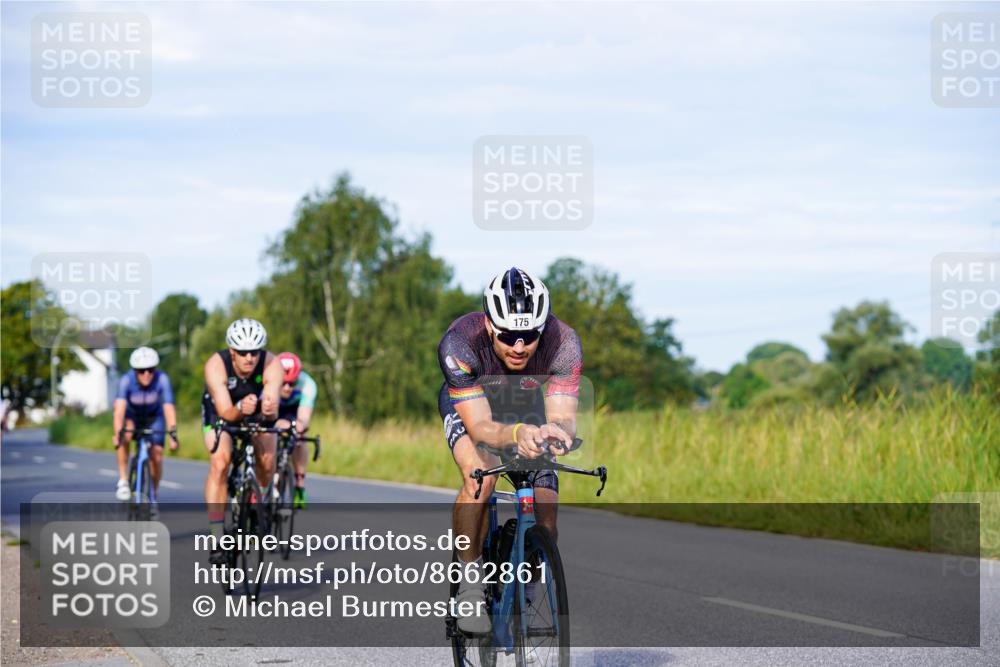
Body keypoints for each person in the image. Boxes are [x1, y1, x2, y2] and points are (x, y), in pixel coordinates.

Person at [437, 267, 582, 633]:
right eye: (509, 336)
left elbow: (563, 416)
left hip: (526, 403)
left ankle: (528, 593)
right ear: (488, 324)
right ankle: (470, 586)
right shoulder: (460, 344)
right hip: (472, 404)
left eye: (530, 335)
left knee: (546, 512)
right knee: (479, 477)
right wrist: (517, 433)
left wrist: (556, 431)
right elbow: (481, 427)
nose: (520, 346)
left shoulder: (564, 343)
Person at [201, 318, 283, 564]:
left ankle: (260, 506)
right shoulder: (216, 366)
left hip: (254, 413)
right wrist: (240, 407)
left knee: (268, 458)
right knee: (220, 462)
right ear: (232, 352)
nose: (250, 358)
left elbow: (273, 413)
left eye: (255, 352)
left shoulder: (272, 364)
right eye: (244, 352)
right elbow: (226, 411)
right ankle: (216, 537)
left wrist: (269, 409)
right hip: (221, 413)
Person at [112, 346, 179, 503]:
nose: (147, 374)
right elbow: (119, 411)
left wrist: (173, 435)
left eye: (150, 369)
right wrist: (117, 434)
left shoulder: (162, 379)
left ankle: (153, 493)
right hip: (132, 416)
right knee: (125, 435)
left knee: (157, 454)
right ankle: (123, 480)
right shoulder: (126, 380)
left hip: (153, 417)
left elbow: (169, 408)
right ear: (135, 371)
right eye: (141, 371)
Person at [275, 352, 319, 509]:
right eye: (283, 383)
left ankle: (299, 482)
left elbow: (304, 416)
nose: (287, 388)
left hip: (295, 409)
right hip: (274, 406)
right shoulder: (268, 379)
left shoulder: (308, 384)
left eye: (291, 384)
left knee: (300, 436)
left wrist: (299, 426)